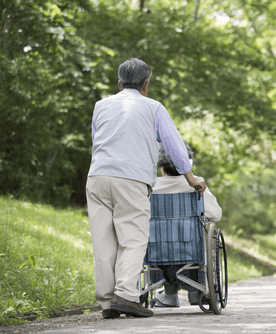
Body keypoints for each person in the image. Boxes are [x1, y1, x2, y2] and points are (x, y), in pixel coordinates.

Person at [86, 58, 206, 319]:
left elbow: (97, 141)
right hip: (131, 179)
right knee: (133, 239)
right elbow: (174, 146)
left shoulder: (100, 106)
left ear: (119, 84)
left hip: (96, 176)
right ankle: (127, 296)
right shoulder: (154, 108)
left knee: (103, 241)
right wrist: (190, 178)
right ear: (146, 85)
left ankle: (107, 304)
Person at [151, 143, 222, 308]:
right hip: (191, 250)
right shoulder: (196, 186)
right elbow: (216, 214)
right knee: (200, 234)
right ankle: (196, 290)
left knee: (161, 239)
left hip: (157, 251)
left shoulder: (151, 186)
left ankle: (169, 292)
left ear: (161, 167)